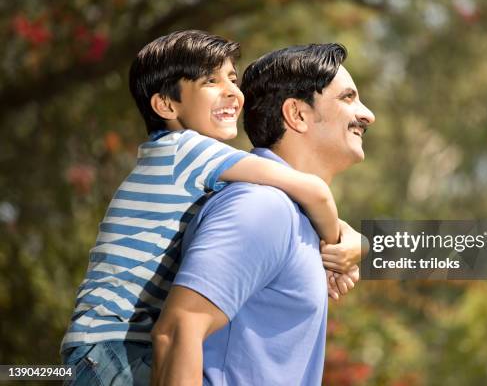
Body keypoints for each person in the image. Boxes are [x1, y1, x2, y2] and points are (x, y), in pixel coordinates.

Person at [60, 31, 362, 385]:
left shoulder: (197, 168)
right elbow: (313, 192)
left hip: (104, 346)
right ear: (166, 105)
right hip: (112, 347)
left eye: (233, 79)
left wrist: (354, 242)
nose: (233, 92)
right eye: (211, 81)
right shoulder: (188, 152)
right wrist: (337, 244)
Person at [152, 43, 375, 385]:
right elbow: (177, 331)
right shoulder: (262, 207)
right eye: (347, 98)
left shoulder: (292, 215)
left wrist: (357, 243)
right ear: (297, 114)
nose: (367, 114)